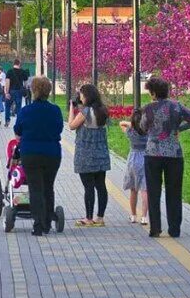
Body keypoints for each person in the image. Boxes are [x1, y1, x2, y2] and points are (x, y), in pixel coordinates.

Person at [138, 76, 190, 238]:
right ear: (166, 91)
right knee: (174, 191)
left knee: (153, 191)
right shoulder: (177, 106)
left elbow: (142, 128)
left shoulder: (148, 108)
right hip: (174, 154)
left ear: (153, 93)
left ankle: (155, 229)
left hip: (153, 154)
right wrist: (178, 129)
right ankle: (174, 229)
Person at [13, 76, 63, 237]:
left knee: (35, 189)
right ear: (48, 91)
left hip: (31, 153)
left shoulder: (26, 111)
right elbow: (59, 129)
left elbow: (18, 130)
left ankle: (38, 224)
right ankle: (48, 222)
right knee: (48, 187)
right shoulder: (55, 110)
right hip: (52, 154)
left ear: (33, 91)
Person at [69, 84, 112, 227]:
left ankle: (88, 218)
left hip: (85, 154)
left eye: (81, 94)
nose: (80, 97)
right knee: (101, 185)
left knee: (88, 187)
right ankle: (100, 218)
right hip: (101, 154)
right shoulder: (103, 110)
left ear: (86, 96)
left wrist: (71, 108)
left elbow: (71, 125)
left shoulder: (85, 112)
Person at [119, 109, 149, 225]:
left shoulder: (130, 132)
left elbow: (121, 123)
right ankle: (144, 217)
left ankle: (133, 215)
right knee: (145, 190)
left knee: (133, 189)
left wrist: (133, 124)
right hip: (146, 158)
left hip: (133, 159)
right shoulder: (148, 132)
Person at [4, 59, 30, 127]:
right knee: (19, 107)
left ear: (13, 64)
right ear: (19, 64)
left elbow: (7, 82)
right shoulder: (23, 72)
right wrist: (24, 88)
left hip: (11, 91)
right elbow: (26, 83)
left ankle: (7, 120)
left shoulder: (9, 71)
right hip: (19, 91)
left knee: (7, 106)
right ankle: (18, 122)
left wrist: (6, 92)